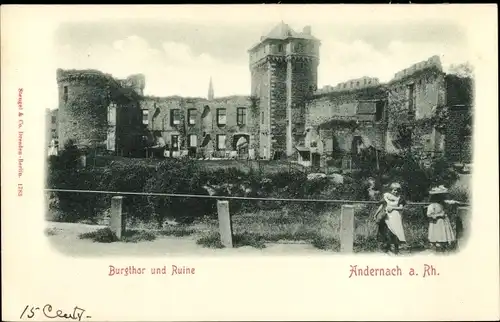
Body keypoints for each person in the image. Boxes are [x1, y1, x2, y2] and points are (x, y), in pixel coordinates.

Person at [373, 182, 407, 254]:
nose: (396, 192)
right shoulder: (386, 196)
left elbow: (401, 208)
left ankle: (396, 249)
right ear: (390, 190)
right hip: (386, 217)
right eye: (394, 190)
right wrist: (376, 214)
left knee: (395, 232)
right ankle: (387, 249)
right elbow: (382, 206)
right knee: (387, 232)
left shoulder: (400, 198)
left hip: (395, 217)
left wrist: (393, 208)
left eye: (397, 190)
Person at [427, 185, 458, 252]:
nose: (441, 198)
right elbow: (429, 214)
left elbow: (451, 202)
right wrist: (439, 215)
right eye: (439, 196)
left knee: (443, 237)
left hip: (443, 223)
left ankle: (443, 248)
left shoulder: (442, 204)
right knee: (438, 238)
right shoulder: (432, 205)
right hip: (436, 224)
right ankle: (439, 250)